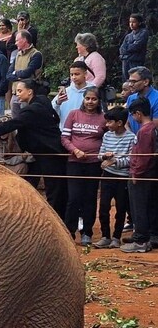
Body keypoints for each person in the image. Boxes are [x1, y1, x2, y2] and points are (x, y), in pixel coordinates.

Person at [0, 78, 67, 219]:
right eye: (16, 92)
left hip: (50, 153)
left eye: (20, 91)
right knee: (31, 184)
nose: (17, 94)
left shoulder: (33, 109)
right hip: (37, 153)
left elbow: (16, 123)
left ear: (30, 91)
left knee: (55, 189)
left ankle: (56, 221)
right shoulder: (42, 101)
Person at [60, 86, 106, 244]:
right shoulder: (73, 114)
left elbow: (108, 138)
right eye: (87, 98)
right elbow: (65, 138)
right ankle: (69, 232)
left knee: (90, 198)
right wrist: (75, 150)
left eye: (94, 99)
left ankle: (87, 232)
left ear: (99, 101)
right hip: (74, 162)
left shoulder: (103, 118)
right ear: (83, 99)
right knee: (73, 198)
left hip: (94, 163)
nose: (90, 102)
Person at [93, 106, 136, 249]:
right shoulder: (107, 136)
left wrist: (115, 161)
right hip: (107, 175)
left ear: (119, 122)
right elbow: (100, 155)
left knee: (121, 207)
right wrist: (105, 156)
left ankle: (116, 237)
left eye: (110, 122)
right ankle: (105, 236)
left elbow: (131, 160)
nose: (107, 125)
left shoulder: (131, 137)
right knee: (104, 206)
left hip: (122, 177)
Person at [122, 97, 158, 253]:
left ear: (137, 113)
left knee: (139, 207)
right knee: (150, 205)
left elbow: (143, 156)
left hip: (141, 175)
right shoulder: (153, 128)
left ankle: (141, 240)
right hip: (149, 173)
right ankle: (150, 235)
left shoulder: (144, 131)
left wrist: (136, 173)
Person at [6, 30, 43, 117]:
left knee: (28, 120)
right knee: (16, 123)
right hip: (15, 95)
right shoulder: (17, 55)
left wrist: (15, 73)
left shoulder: (36, 54)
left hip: (29, 95)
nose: (15, 43)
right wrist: (19, 75)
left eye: (17, 40)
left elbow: (28, 73)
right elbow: (8, 75)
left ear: (24, 40)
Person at [51, 61, 94, 131]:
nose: (74, 77)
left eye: (77, 74)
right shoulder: (66, 92)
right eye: (71, 74)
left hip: (86, 133)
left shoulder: (93, 92)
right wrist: (58, 103)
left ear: (85, 74)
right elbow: (52, 112)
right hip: (65, 132)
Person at [124, 66, 158, 134]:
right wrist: (132, 137)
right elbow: (126, 122)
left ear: (146, 82)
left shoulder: (156, 99)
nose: (130, 85)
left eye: (133, 82)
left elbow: (155, 128)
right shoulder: (131, 98)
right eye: (129, 81)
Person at [119, 14, 149, 81]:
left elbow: (136, 46)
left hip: (136, 61)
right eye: (130, 22)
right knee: (126, 80)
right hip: (126, 60)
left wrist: (128, 48)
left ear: (139, 22)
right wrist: (129, 48)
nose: (131, 24)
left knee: (136, 80)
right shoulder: (128, 36)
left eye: (134, 22)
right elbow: (122, 49)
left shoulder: (143, 33)